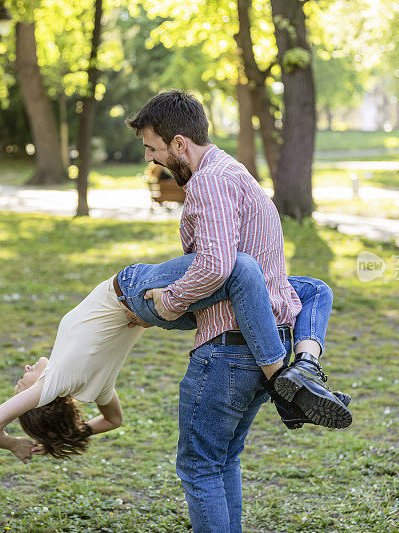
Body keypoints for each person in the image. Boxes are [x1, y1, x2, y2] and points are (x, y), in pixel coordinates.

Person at [125, 90, 350, 532]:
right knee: (224, 459)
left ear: (179, 143)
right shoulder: (236, 173)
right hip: (264, 348)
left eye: (153, 149)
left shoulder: (209, 181)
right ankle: (302, 370)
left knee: (199, 466)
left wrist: (168, 304)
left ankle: (298, 379)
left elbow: (215, 266)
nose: (153, 161)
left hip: (227, 352)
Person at [0, 253, 350, 461]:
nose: (24, 372)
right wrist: (15, 443)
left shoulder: (93, 385)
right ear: (39, 400)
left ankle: (304, 370)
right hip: (138, 290)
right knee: (236, 267)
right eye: (20, 384)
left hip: (153, 310)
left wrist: (73, 432)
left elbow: (114, 420)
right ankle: (284, 383)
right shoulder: (55, 381)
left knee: (310, 291)